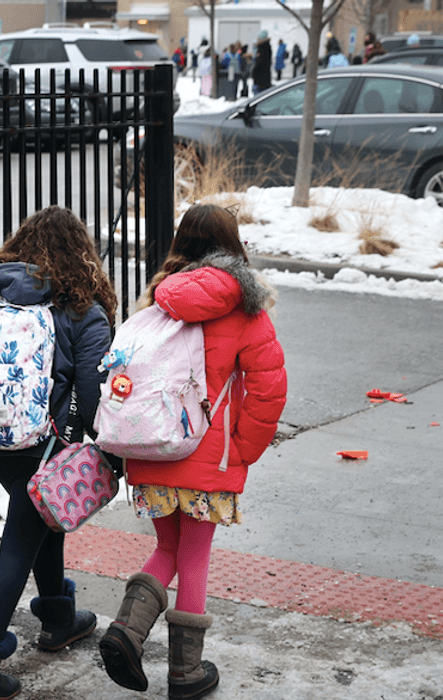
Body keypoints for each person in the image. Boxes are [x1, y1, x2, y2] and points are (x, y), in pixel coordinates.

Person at [98, 203, 287, 700]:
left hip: (153, 448)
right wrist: (241, 449)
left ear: (182, 242)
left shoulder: (159, 300)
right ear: (233, 245)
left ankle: (126, 631)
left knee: (167, 547)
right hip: (209, 456)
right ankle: (185, 671)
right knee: (195, 555)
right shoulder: (247, 308)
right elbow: (269, 389)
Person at [0, 206, 116, 700]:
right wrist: (108, 446)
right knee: (20, 542)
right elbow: (92, 394)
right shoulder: (86, 313)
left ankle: (58, 619)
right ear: (81, 255)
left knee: (42, 515)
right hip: (46, 443)